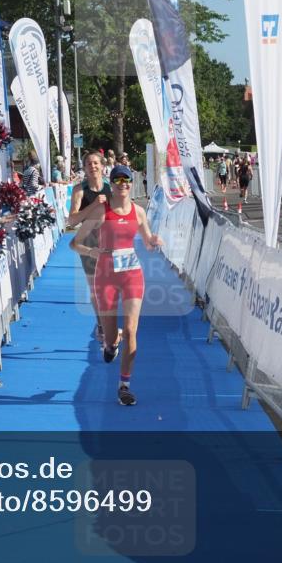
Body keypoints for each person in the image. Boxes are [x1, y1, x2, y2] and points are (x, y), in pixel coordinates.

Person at [70, 165, 162, 406]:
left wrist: (154, 241)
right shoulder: (102, 210)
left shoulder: (139, 212)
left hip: (131, 273)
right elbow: (74, 243)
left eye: (127, 179)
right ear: (112, 183)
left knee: (132, 330)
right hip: (106, 276)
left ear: (131, 183)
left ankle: (124, 385)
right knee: (110, 337)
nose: (123, 183)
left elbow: (148, 241)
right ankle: (112, 343)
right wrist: (92, 251)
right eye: (117, 179)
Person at [67, 151, 112, 340]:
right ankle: (102, 323)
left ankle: (109, 320)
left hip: (109, 239)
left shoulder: (111, 188)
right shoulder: (80, 190)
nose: (93, 167)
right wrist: (93, 205)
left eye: (95, 163)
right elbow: (71, 220)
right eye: (89, 164)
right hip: (88, 242)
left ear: (102, 166)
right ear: (84, 168)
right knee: (95, 287)